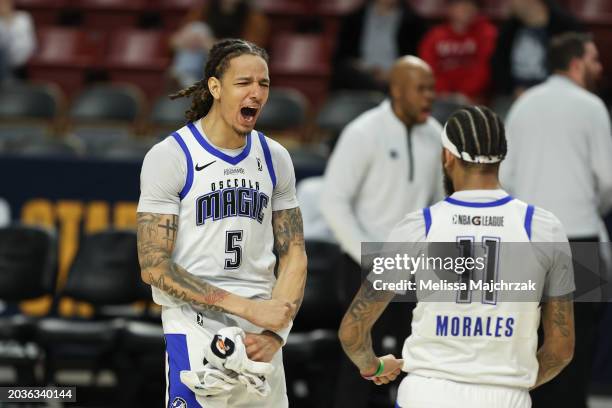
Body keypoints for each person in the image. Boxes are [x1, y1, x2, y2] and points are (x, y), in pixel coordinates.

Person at [338, 105, 576, 407]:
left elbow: (351, 331)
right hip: (505, 398)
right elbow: (562, 348)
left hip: (427, 394)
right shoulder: (546, 228)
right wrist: (516, 382)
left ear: (447, 156)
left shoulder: (418, 226)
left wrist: (372, 367)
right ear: (502, 157)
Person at [137, 39, 307, 408]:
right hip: (196, 323)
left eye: (263, 84)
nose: (256, 93)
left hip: (261, 332)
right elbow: (154, 266)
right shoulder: (171, 156)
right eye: (244, 83)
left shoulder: (275, 158)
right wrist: (245, 308)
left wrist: (275, 333)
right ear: (215, 87)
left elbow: (294, 253)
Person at [321, 55, 443, 408]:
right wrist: (368, 255)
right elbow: (334, 201)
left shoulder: (435, 135)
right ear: (397, 90)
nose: (430, 97)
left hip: (414, 269)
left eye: (432, 89)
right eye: (421, 89)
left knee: (412, 360)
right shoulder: (363, 132)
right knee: (359, 360)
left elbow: (439, 204)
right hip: (364, 266)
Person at [501, 32, 612, 408]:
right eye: (594, 59)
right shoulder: (592, 107)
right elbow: (608, 179)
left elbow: (507, 177)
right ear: (577, 63)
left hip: (525, 241)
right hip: (577, 236)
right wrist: (592, 204)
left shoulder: (522, 106)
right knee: (577, 350)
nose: (600, 67)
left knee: (525, 343)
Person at [490, 0, 581, 98]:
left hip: (554, 95)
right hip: (513, 95)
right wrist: (513, 89)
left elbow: (574, 67)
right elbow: (498, 66)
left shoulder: (566, 27)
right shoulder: (510, 28)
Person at [330, 0, 426, 92]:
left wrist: (390, 74)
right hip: (360, 77)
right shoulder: (354, 19)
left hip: (396, 79)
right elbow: (341, 58)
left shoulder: (414, 23)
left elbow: (415, 62)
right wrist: (364, 69)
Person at [169, 0, 270, 88]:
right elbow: (174, 42)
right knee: (198, 28)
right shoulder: (205, 8)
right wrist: (191, 41)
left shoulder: (254, 15)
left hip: (233, 63)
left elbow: (250, 51)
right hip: (202, 58)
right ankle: (186, 77)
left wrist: (210, 44)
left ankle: (187, 78)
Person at [418, 0, 497, 103]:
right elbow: (427, 69)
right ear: (449, 8)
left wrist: (465, 94)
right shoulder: (434, 36)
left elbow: (485, 68)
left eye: (472, 4)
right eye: (460, 4)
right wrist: (445, 93)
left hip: (475, 98)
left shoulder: (487, 33)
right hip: (440, 97)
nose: (467, 8)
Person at [0, 0, 35, 83]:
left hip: (23, 59)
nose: (2, 6)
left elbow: (29, 42)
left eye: (4, 3)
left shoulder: (23, 17)